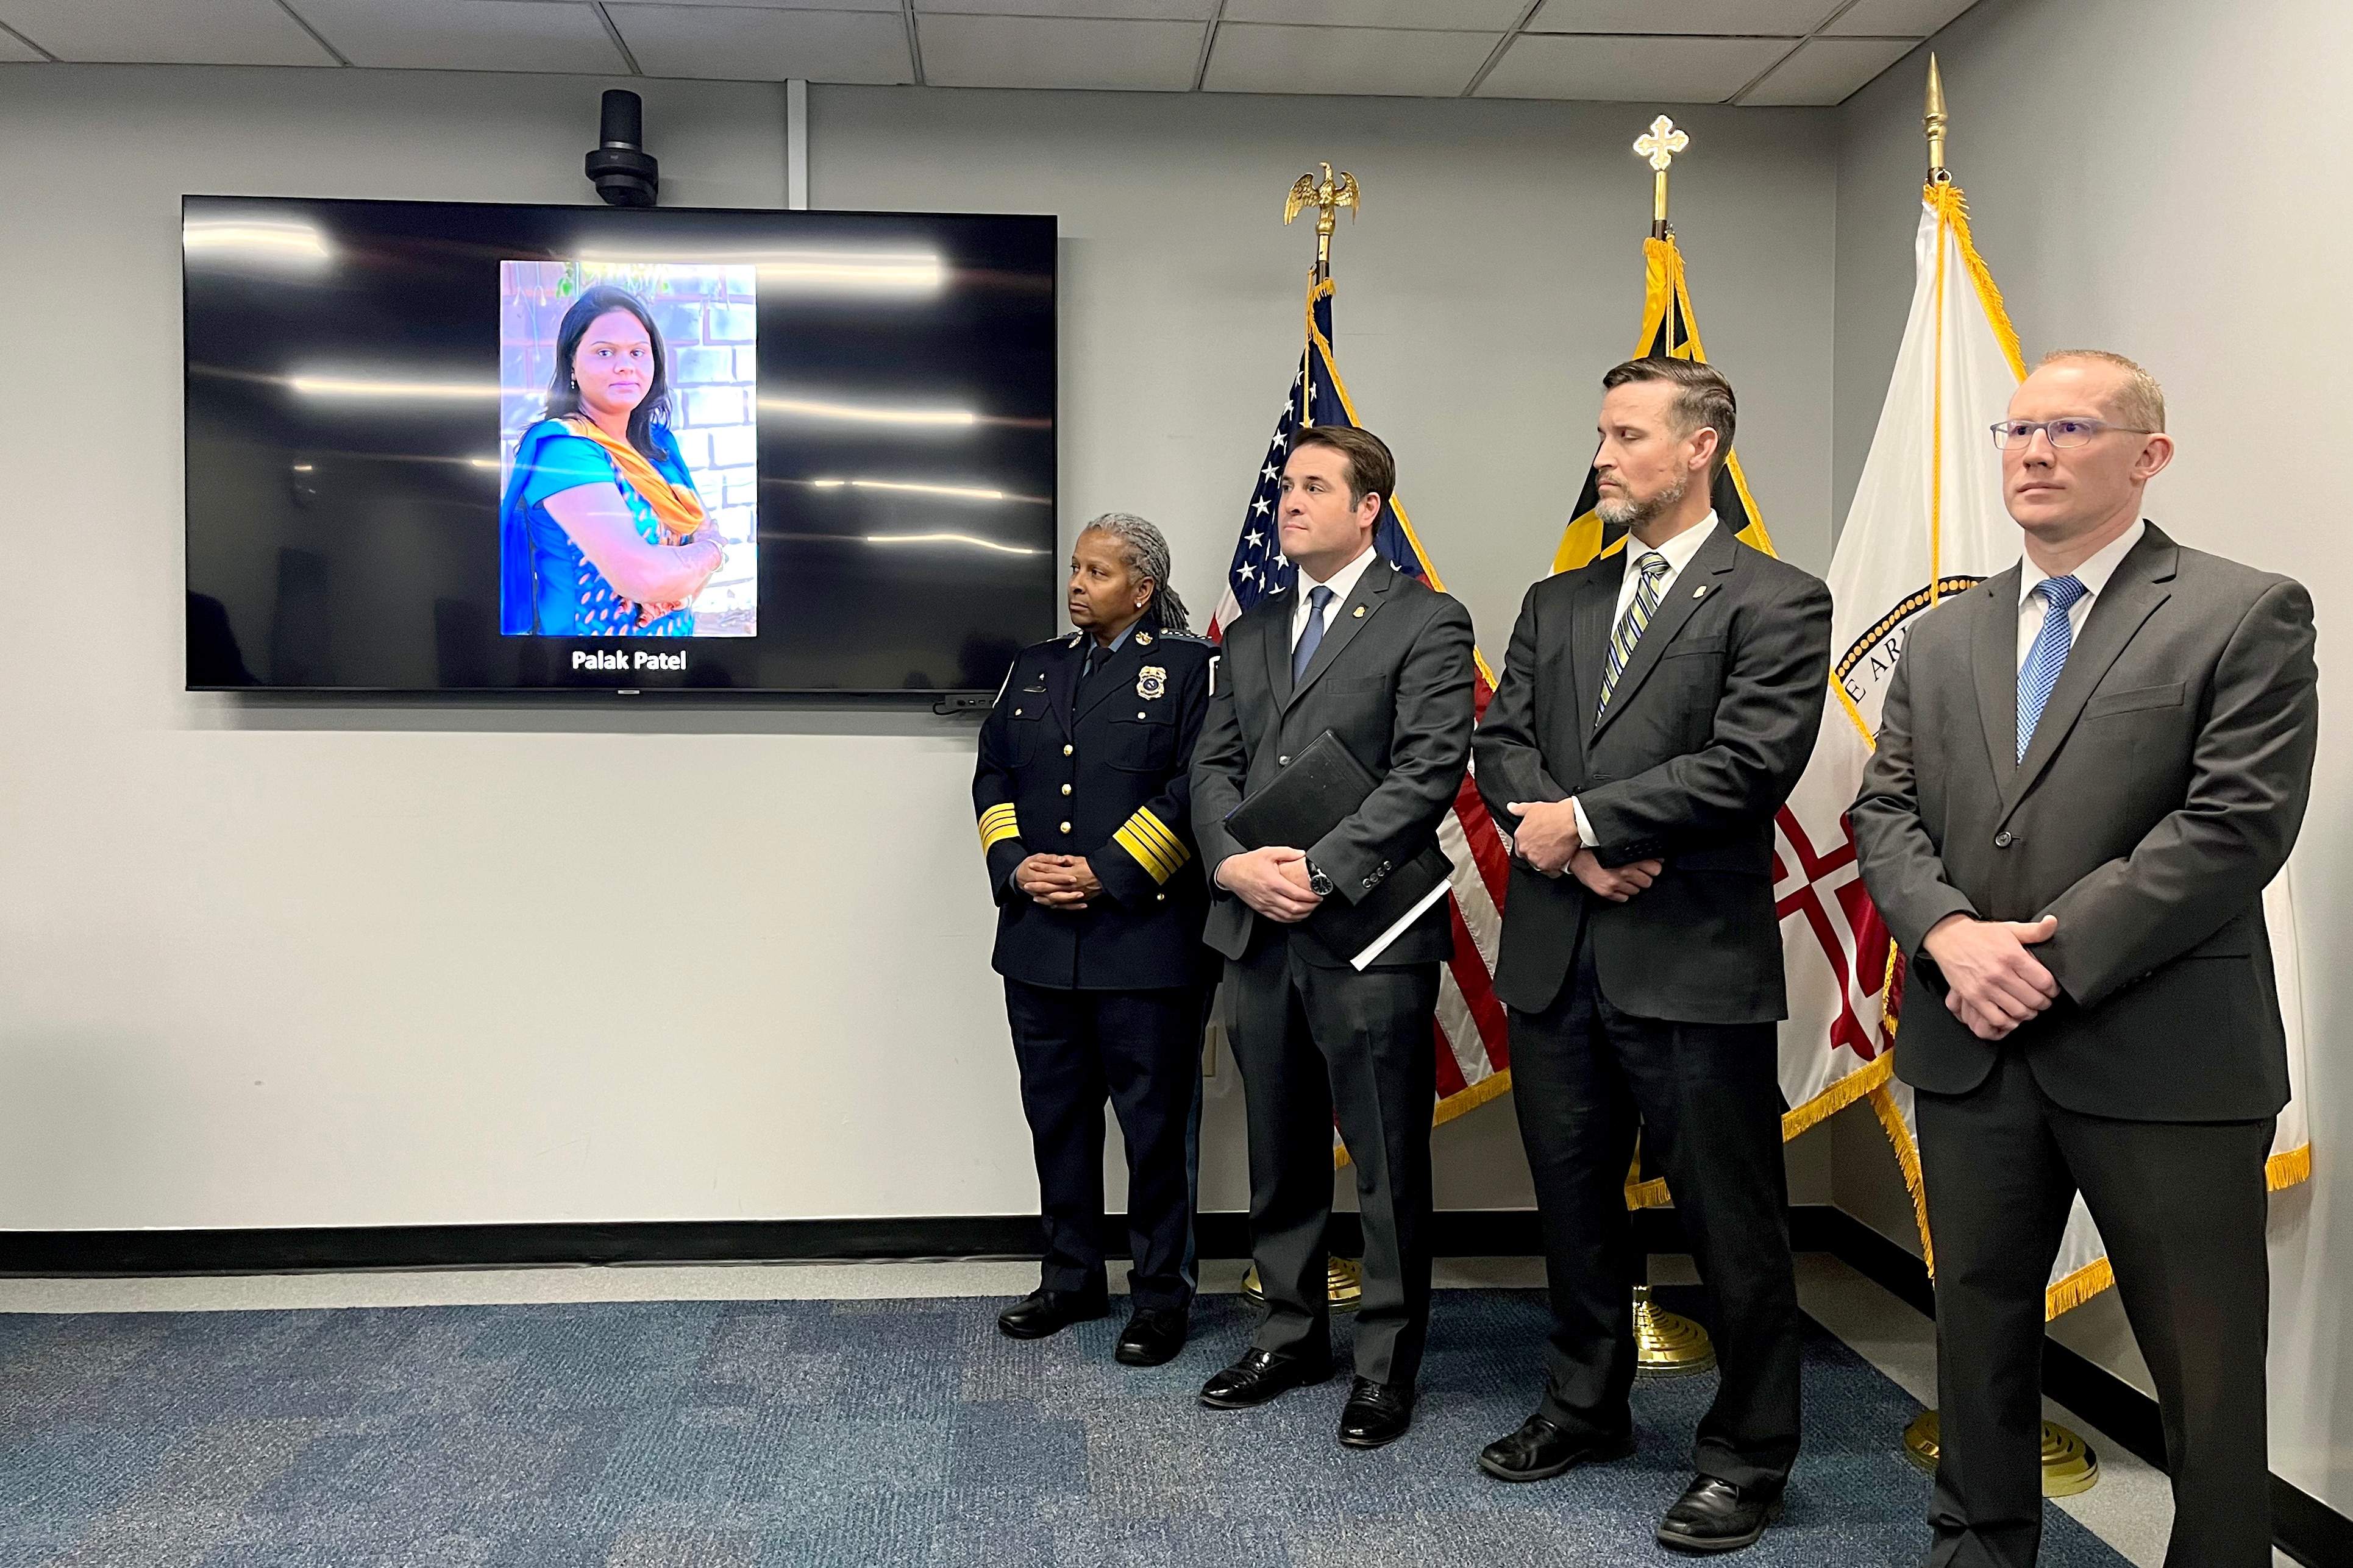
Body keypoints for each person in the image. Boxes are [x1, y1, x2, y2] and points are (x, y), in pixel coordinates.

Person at [1850, 350, 2317, 1568]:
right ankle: (1979, 1545)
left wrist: (2045, 958)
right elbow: (1883, 812)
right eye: (2016, 430)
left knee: (2203, 1365)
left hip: (2162, 1052)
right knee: (1976, 1328)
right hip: (1971, 1046)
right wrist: (1949, 934)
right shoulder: (1948, 631)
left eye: (2069, 427)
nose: (2033, 451)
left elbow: (2232, 823)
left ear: (2147, 456)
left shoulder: (2240, 607)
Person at [1470, 357, 1831, 1552]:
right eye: (1599, 433)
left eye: (1626, 434)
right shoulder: (1555, 600)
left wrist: (1585, 820)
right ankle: (1586, 1404)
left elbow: (1749, 762)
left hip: (1689, 961)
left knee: (1730, 1219)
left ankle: (1745, 1452)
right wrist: (1570, 846)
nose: (1603, 455)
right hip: (1557, 955)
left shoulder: (1776, 598)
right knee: (1573, 1206)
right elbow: (1499, 746)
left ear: (1701, 445)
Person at [1188, 424, 1475, 1449]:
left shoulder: (1427, 619)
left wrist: (1317, 867)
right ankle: (1292, 1329)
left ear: (1369, 508)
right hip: (1257, 928)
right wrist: (1232, 863)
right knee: (1282, 1149)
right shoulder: (1254, 629)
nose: (1289, 500)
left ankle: (1385, 1364)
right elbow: (1212, 764)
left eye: (1315, 486)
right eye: (1288, 486)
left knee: (1388, 1160)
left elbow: (1429, 767)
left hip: (1368, 926)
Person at [971, 514, 1217, 1366]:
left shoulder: (1192, 670)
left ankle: (1160, 1298)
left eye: (1099, 572)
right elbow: (994, 769)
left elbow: (1200, 787)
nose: (1077, 584)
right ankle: (1070, 1276)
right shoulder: (1035, 667)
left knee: (1155, 1131)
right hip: (1038, 942)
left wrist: (1109, 870)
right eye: (1076, 568)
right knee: (1058, 1120)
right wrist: (1015, 863)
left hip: (1144, 942)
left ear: (1142, 588)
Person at [498, 285, 725, 637]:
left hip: (672, 665)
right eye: (605, 352)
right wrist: (712, 553)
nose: (625, 367)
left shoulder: (659, 445)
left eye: (638, 352)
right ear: (572, 362)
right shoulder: (564, 449)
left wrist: (676, 587)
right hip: (582, 672)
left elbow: (698, 542)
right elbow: (643, 576)